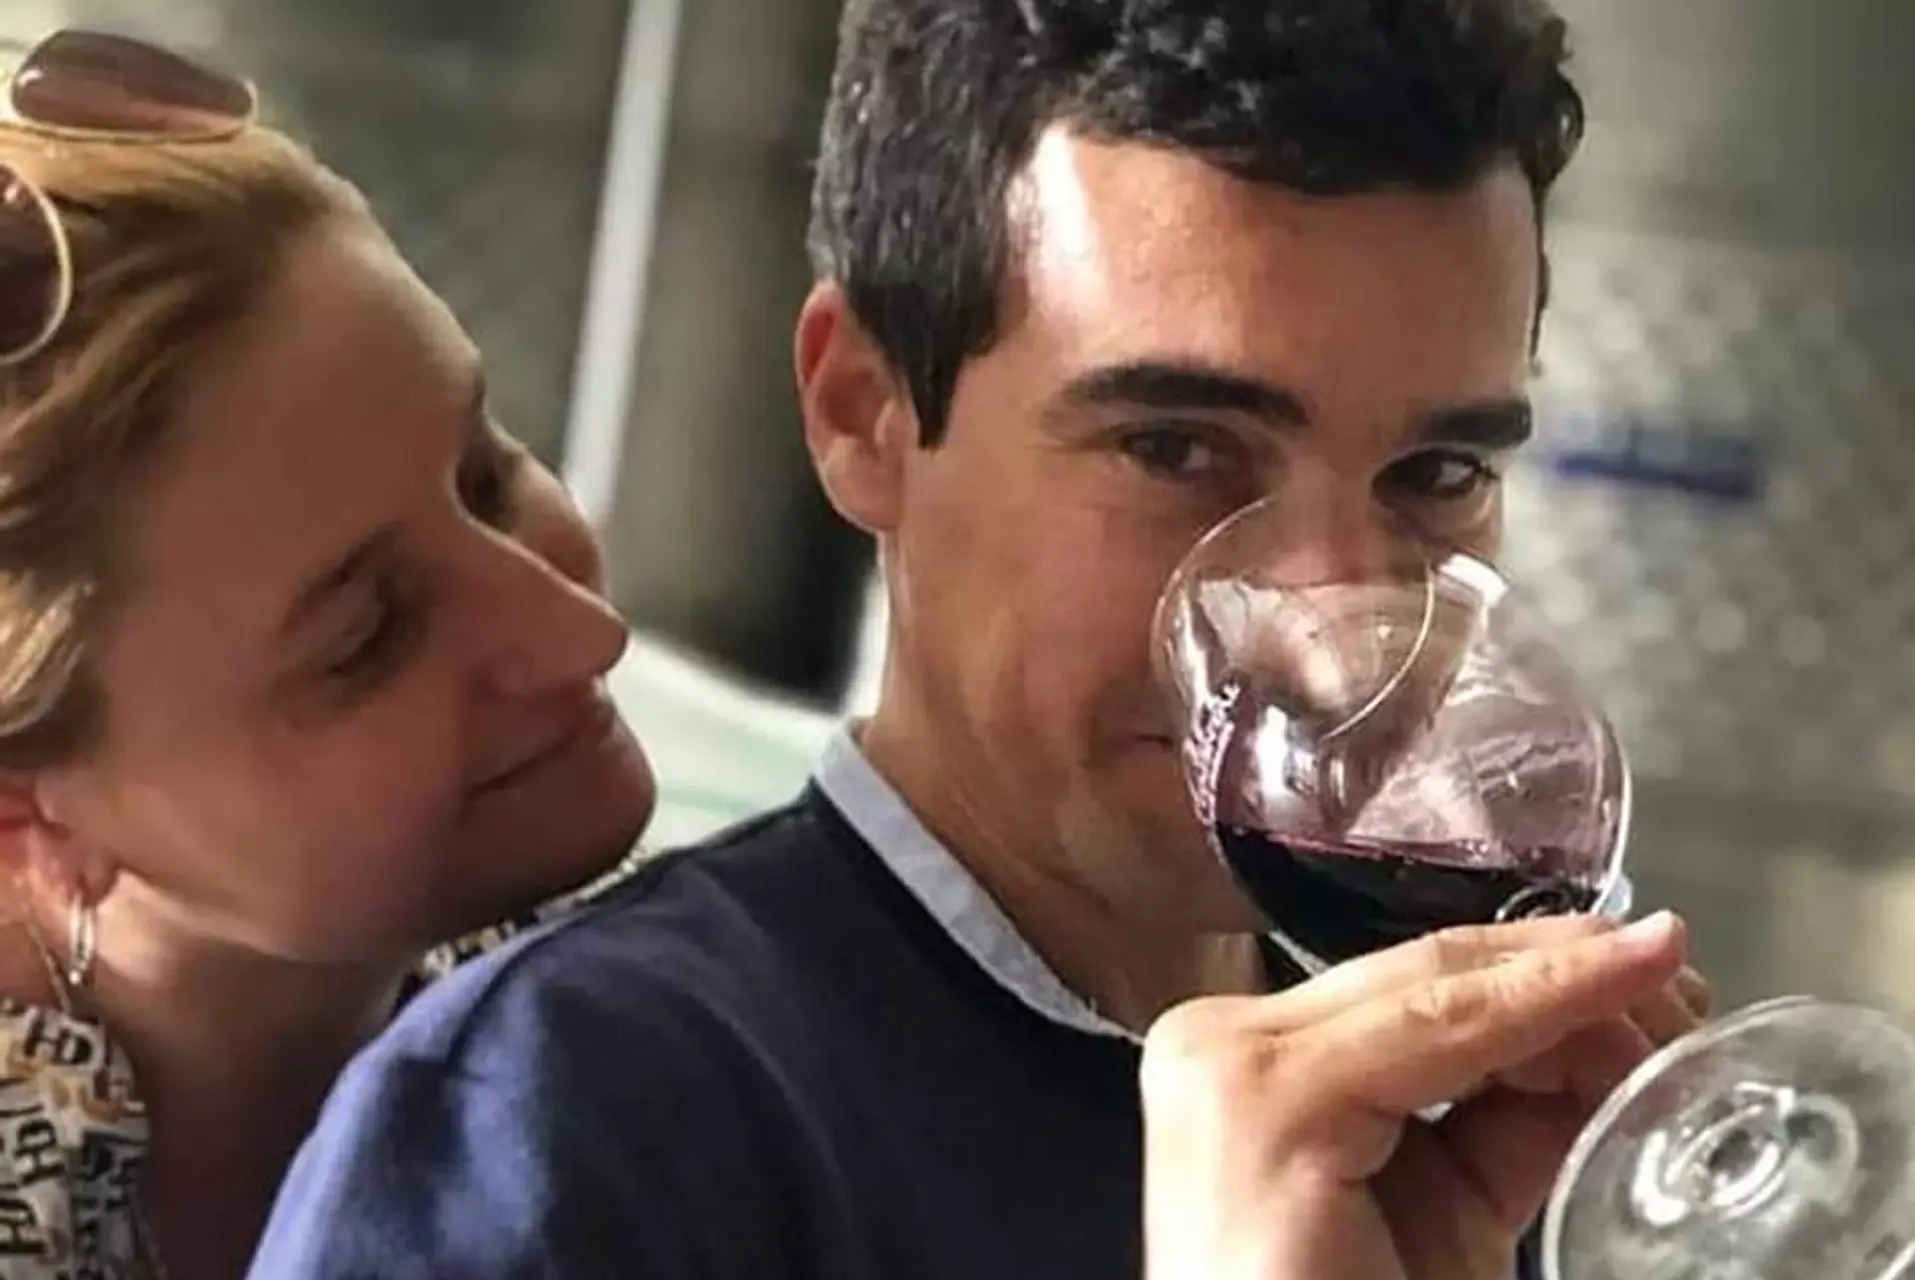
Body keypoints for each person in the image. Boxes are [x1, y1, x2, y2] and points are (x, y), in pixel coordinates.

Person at [253, 1, 1709, 1276]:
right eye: (1175, 448)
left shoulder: (1495, 1135)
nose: (1337, 649)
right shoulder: (567, 1124)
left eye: (1438, 475)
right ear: (864, 413)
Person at [0, 31, 665, 1278]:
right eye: (366, 637)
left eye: (487, 474)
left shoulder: (669, 984)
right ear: (26, 815)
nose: (585, 633)